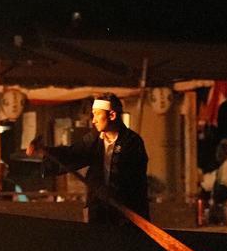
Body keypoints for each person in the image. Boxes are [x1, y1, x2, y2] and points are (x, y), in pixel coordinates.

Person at [27, 93, 148, 225]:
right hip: (98, 206)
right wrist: (46, 151)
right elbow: (73, 153)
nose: (93, 120)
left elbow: (132, 176)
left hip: (125, 210)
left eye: (97, 114)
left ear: (112, 115)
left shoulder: (132, 142)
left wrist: (111, 190)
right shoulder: (95, 139)